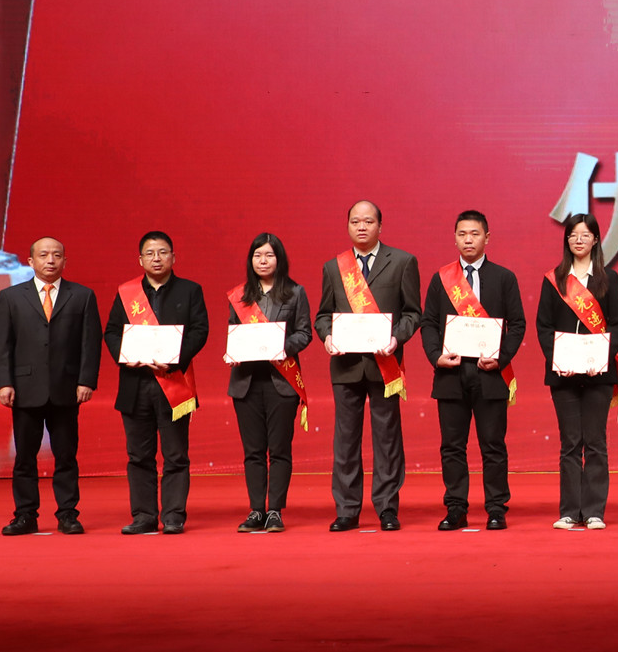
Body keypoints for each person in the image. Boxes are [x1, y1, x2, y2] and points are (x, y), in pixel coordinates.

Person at [314, 200, 423, 532]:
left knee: (387, 439)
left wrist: (396, 339)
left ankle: (387, 508)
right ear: (347, 226)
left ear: (380, 226)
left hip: (384, 363)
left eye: (368, 221)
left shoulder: (402, 261)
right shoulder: (334, 267)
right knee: (345, 441)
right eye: (355, 222)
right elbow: (322, 315)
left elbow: (412, 313)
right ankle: (347, 509)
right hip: (346, 365)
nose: (361, 227)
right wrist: (327, 337)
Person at [419, 210, 527, 531]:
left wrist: (501, 358)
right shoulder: (441, 279)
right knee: (452, 446)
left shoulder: (504, 278)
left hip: (490, 374)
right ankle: (456, 508)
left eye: (475, 234)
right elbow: (428, 323)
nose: (468, 239)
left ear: (487, 238)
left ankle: (496, 508)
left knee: (493, 445)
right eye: (462, 234)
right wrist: (436, 356)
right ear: (454, 238)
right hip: (450, 374)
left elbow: (517, 324)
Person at [103, 231, 208, 535]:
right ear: (140, 260)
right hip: (135, 384)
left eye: (163, 252)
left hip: (173, 382)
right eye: (150, 253)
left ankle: (173, 515)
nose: (157, 258)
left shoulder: (190, 290)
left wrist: (174, 358)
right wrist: (126, 356)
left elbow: (200, 331)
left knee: (176, 455)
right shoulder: (127, 292)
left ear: (174, 257)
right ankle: (144, 516)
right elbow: (111, 332)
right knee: (139, 456)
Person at [0, 237, 100, 536]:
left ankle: (68, 514)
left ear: (65, 260)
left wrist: (86, 380)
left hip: (67, 388)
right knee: (24, 458)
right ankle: (25, 515)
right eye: (43, 255)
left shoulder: (82, 296)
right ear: (31, 261)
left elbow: (90, 342)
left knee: (66, 456)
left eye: (56, 255)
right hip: (25, 389)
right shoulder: (11, 297)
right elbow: (2, 345)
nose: (50, 260)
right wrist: (4, 383)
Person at [535, 213, 618, 530]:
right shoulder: (554, 280)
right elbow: (544, 326)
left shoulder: (609, 279)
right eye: (573, 234)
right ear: (567, 240)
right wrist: (559, 359)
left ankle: (594, 511)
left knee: (596, 442)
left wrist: (600, 357)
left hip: (598, 373)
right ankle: (569, 511)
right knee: (570, 442)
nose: (579, 240)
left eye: (585, 234)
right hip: (563, 375)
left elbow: (617, 325)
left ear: (596, 240)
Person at [223, 233, 313, 534]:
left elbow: (305, 334)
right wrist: (232, 352)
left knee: (279, 450)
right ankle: (256, 510)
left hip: (281, 381)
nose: (263, 261)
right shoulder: (240, 295)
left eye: (269, 255)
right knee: (253, 451)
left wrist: (279, 347)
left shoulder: (295, 292)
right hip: (246, 383)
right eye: (257, 255)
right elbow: (233, 332)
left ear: (279, 259)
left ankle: (274, 510)